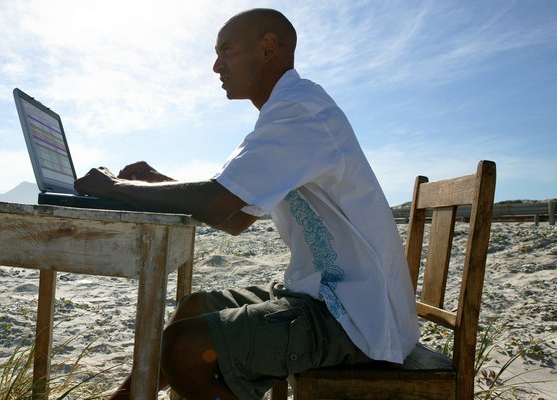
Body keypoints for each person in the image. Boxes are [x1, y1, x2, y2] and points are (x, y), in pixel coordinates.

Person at [74, 8, 419, 400]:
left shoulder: (300, 112)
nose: (216, 65)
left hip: (362, 321)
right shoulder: (283, 111)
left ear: (269, 47)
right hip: (326, 298)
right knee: (193, 308)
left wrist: (116, 186)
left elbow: (220, 203)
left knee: (184, 350)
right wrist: (156, 183)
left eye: (226, 50)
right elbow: (237, 216)